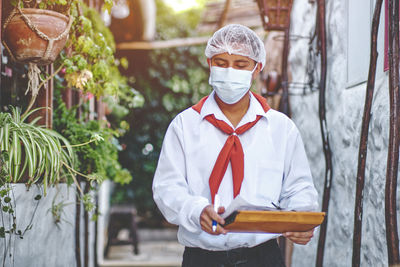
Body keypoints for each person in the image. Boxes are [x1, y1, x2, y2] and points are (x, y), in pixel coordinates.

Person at [152, 24, 319, 267]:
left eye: (241, 65)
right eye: (220, 62)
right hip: (202, 258)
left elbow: (299, 187)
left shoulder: (281, 129)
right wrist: (196, 210)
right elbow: (167, 187)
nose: (230, 71)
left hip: (263, 257)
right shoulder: (184, 126)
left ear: (257, 68)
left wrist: (299, 219)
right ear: (209, 64)